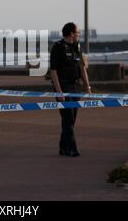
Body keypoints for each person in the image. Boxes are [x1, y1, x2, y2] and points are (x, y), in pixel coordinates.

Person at [50, 22, 91, 157]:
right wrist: (59, 91)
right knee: (68, 118)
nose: (79, 34)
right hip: (64, 86)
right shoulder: (58, 47)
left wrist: (87, 86)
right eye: (78, 32)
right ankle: (72, 149)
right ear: (72, 33)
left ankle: (63, 147)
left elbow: (82, 68)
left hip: (75, 87)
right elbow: (53, 71)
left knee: (71, 119)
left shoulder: (76, 47)